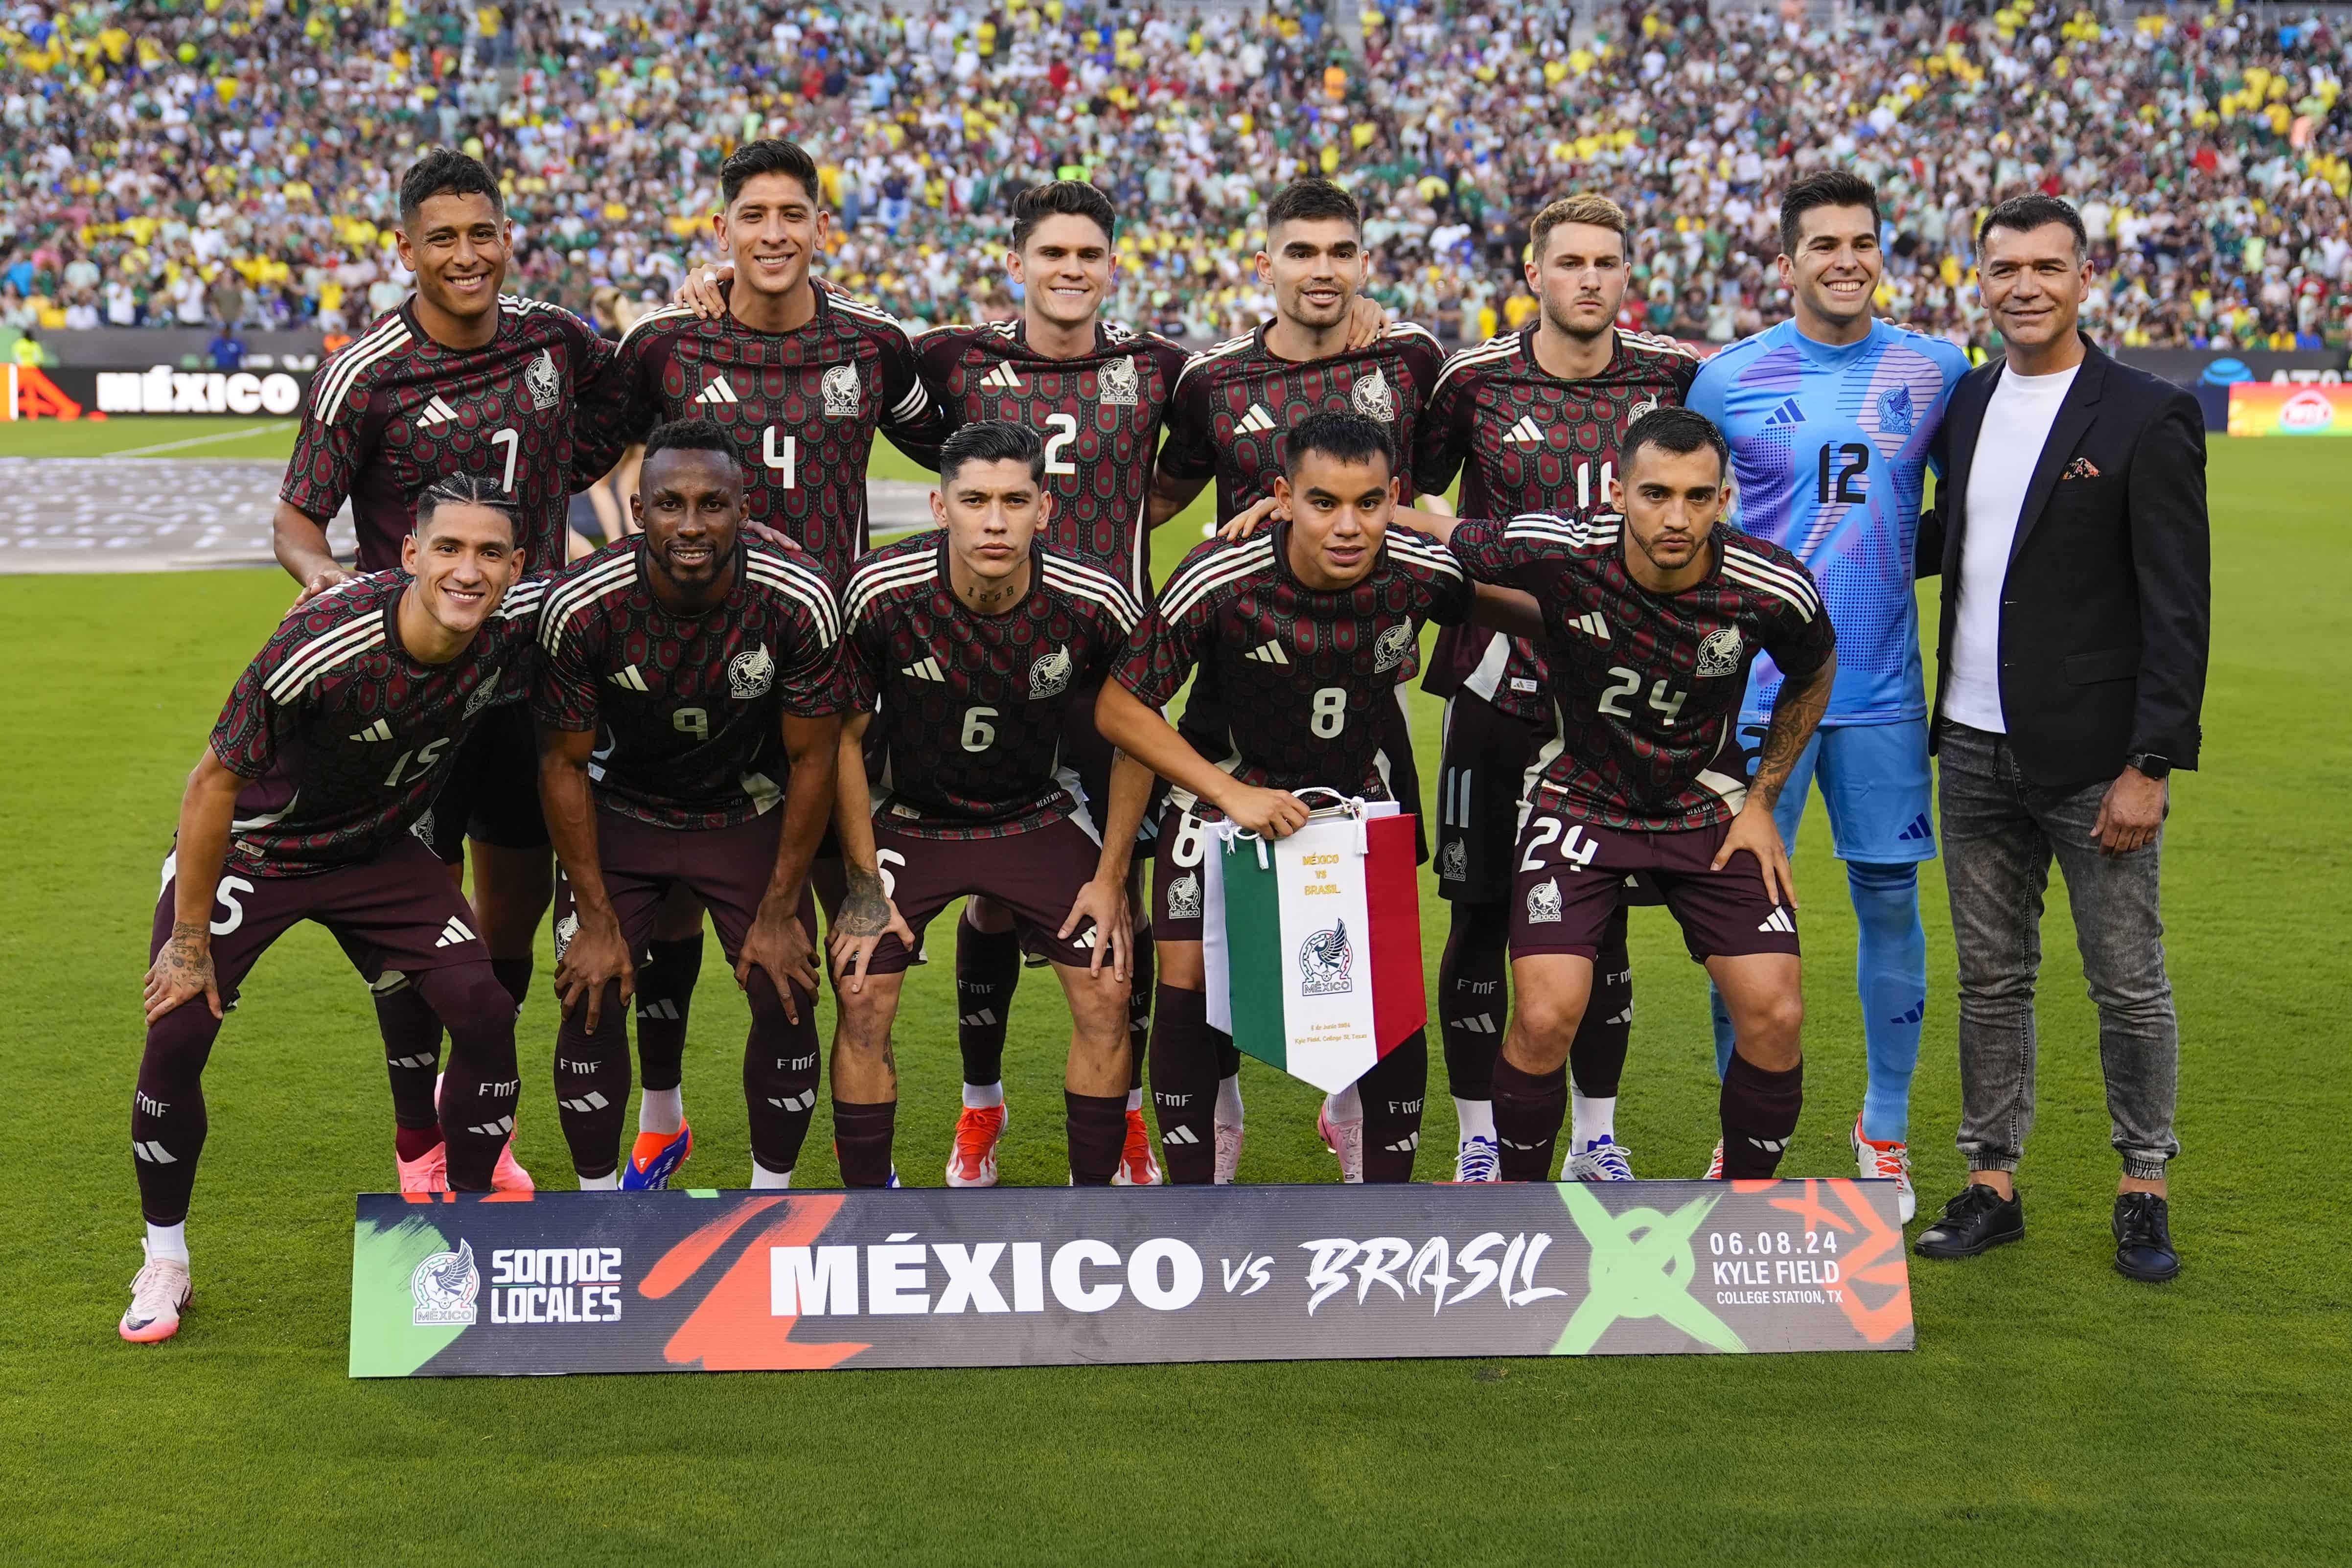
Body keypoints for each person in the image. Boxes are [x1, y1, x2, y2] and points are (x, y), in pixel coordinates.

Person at [573, 138, 946, 1181]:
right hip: (681, 664)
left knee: (839, 927)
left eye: (793, 214)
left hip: (830, 674)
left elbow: (978, 440)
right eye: (754, 216)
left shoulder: (875, 347)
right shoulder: (666, 343)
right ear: (724, 229)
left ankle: (837, 1167)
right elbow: (569, 450)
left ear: (822, 227)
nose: (773, 234)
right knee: (677, 894)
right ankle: (661, 1114)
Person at [122, 478, 541, 1343]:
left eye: (491, 554)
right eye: (451, 550)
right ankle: (165, 1258)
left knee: (485, 1006)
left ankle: (465, 1232)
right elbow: (212, 783)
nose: (469, 571)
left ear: (517, 567)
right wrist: (189, 941)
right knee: (177, 1029)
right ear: (410, 554)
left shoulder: (511, 635)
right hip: (259, 848)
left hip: (380, 853)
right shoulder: (324, 636)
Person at [273, 147, 614, 1191]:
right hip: (412, 694)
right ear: (406, 249)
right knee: (414, 923)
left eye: (483, 234)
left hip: (530, 682)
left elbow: (629, 410)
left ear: (506, 237)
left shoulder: (559, 340)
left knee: (508, 915)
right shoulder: (364, 373)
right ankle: (416, 1135)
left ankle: (483, 1125)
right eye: (444, 239)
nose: (467, 256)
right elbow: (296, 517)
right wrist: (335, 585)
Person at [1405, 407, 1838, 1183]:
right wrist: (1321, 497)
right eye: (1655, 494)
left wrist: (1765, 799)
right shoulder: (1555, 547)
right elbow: (1434, 532)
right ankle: (1518, 1207)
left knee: (1776, 1013)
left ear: (1724, 498)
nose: (1676, 518)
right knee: (1541, 1015)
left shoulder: (1769, 584)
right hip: (1578, 799)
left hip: (1706, 805)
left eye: (1698, 497)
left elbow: (1814, 667)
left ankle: (1743, 1203)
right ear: (1616, 492)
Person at [1911, 195, 2209, 1283]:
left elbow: (2179, 600)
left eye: (2046, 266)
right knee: (1991, 981)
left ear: (2086, 278)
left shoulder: (2146, 412)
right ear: (1977, 282)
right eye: (2003, 268)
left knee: (2127, 982)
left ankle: (2144, 1186)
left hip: (2096, 757)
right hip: (1974, 742)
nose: (2024, 285)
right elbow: (1960, 538)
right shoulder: (1967, 401)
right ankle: (1993, 1183)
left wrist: (2152, 762)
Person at [1097, 410, 1506, 1184]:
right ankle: (1204, 1166)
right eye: (1323, 503)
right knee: (1189, 973)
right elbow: (1121, 706)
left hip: (1352, 795)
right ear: (1282, 497)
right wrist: (1229, 793)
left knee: (1379, 980)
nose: (1348, 526)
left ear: (1395, 499)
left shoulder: (1420, 569)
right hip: (1223, 792)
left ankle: (1379, 1187)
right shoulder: (1220, 574)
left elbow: (1510, 604)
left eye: (1369, 504)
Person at [1686, 170, 1970, 1216]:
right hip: (1756, 689)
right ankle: (1741, 1134)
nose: (1844, 259)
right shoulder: (1728, 380)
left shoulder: (1935, 369)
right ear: (1788, 262)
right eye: (1823, 244)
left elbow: (1968, 511)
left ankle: (1883, 1131)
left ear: (1880, 251)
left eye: (1862, 241)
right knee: (1741, 906)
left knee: (1890, 899)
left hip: (1883, 687)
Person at [1146, 177, 1443, 1178]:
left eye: (1340, 252)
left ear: (1365, 262)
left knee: (1366, 951)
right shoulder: (1211, 380)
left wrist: (1410, 539)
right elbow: (1160, 495)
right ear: (1263, 264)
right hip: (1238, 672)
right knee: (1201, 959)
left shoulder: (1408, 360)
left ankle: (1355, 1111)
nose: (1322, 271)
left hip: (1358, 682)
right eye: (1301, 252)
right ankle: (1218, 1118)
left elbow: (1437, 494)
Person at [902, 182, 1189, 1188]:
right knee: (988, 891)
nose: (1072, 269)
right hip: (989, 666)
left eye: (1091, 254)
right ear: (1014, 261)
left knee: (1127, 911)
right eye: (1053, 252)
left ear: (1112, 265)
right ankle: (983, 1109)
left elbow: (1193, 465)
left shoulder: (1159, 370)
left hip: (1111, 668)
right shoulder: (950, 360)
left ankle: (1125, 1118)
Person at [1413, 191, 1700, 1184]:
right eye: (1569, 262)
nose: (1588, 279)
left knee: (1601, 914)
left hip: (1617, 707)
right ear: (1532, 275)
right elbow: (1409, 497)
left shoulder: (1672, 377)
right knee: (1482, 915)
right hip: (1500, 688)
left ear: (1627, 276)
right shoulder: (1472, 381)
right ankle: (1479, 1134)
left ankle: (1596, 1136)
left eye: (1606, 264)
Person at [828, 422, 1157, 1186]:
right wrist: (862, 886)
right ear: (940, 508)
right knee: (861, 989)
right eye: (974, 500)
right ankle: (869, 1210)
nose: (995, 520)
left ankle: (1091, 1210)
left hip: (1034, 810)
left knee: (1109, 985)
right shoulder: (879, 592)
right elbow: (840, 741)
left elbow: (1137, 734)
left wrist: (1109, 882)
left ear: (1045, 509)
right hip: (910, 815)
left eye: (1015, 500)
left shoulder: (1092, 597)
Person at [533, 418, 848, 1190]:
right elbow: (564, 767)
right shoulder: (580, 604)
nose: (692, 525)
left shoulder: (799, 595)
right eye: (669, 505)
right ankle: (599, 1210)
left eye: (713, 505)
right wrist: (598, 920)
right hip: (624, 807)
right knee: (592, 988)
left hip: (744, 808)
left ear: (746, 509)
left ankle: (766, 1207)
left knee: (787, 988)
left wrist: (779, 912)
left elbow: (813, 756)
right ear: (638, 511)